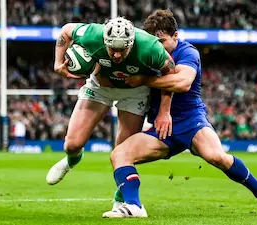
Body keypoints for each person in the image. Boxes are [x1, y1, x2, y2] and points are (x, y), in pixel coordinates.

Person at [102, 9, 257, 218]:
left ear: (175, 36)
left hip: (191, 121)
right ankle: (134, 206)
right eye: (154, 42)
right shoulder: (145, 52)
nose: (158, 47)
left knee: (216, 157)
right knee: (119, 154)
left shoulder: (188, 52)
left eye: (162, 41)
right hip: (162, 128)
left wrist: (144, 80)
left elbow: (182, 83)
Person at [46, 17, 176, 185]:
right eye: (112, 48)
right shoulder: (93, 34)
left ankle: (121, 200)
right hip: (100, 87)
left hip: (134, 92)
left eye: (122, 49)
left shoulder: (149, 46)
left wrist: (164, 112)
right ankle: (72, 160)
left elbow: (171, 72)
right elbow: (66, 30)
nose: (116, 54)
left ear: (131, 43)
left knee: (123, 154)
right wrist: (58, 63)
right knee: (72, 145)